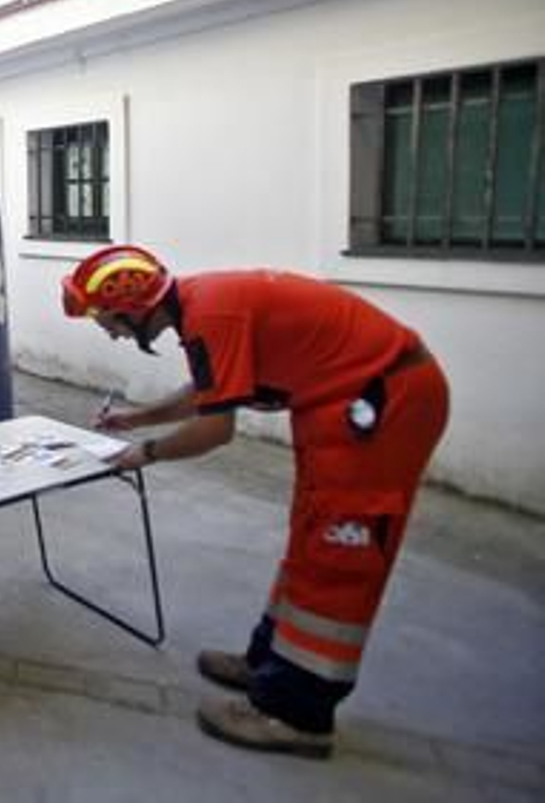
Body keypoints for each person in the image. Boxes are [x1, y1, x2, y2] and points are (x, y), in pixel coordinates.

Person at [61, 244, 449, 759]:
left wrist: (145, 453)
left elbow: (215, 430)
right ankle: (267, 664)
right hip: (344, 404)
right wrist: (135, 419)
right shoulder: (201, 305)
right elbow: (211, 390)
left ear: (133, 308)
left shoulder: (211, 311)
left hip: (380, 403)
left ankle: (297, 715)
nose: (107, 331)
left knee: (340, 553)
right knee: (312, 536)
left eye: (104, 319)